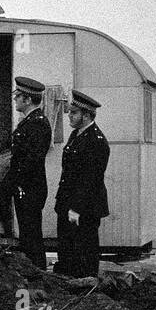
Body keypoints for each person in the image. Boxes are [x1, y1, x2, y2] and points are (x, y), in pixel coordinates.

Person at [53, 90, 110, 278]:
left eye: (73, 113)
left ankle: (86, 283)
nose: (70, 115)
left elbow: (90, 180)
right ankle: (69, 280)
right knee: (68, 247)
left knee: (85, 247)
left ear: (86, 115)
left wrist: (76, 208)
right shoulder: (76, 135)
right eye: (70, 112)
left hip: (85, 207)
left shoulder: (96, 141)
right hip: (69, 202)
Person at [6, 76, 52, 270]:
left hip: (30, 186)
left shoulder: (37, 123)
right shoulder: (29, 122)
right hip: (26, 185)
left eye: (18, 96)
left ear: (27, 99)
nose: (15, 100)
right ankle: (32, 269)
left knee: (31, 232)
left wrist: (14, 181)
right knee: (27, 231)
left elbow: (30, 160)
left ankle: (36, 270)